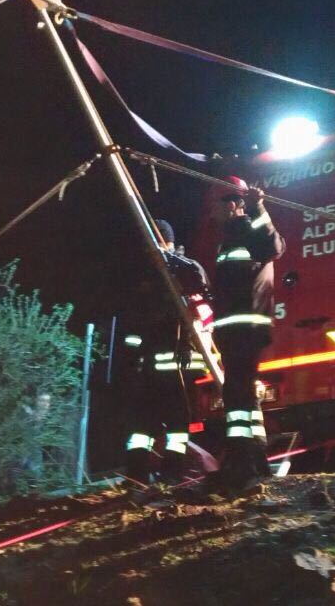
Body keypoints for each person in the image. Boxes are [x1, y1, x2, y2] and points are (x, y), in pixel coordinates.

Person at [209, 177, 286, 492]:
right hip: (233, 330)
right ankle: (253, 458)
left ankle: (242, 461)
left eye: (215, 206)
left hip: (246, 328)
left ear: (230, 204)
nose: (211, 214)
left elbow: (273, 246)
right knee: (240, 393)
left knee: (237, 395)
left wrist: (258, 207)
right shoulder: (228, 237)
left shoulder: (246, 229)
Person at [121, 219, 211, 486]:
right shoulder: (148, 276)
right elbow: (136, 323)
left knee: (176, 428)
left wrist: (188, 344)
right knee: (142, 426)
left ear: (165, 241)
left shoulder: (184, 271)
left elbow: (201, 311)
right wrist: (133, 357)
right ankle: (136, 474)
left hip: (179, 366)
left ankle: (170, 475)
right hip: (150, 365)